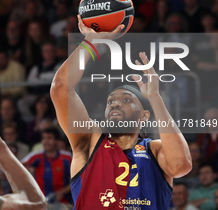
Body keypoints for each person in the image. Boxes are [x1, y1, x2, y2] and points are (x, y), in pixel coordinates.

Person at [50, 15, 192, 209]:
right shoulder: (89, 142)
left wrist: (155, 98)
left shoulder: (155, 149)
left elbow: (181, 166)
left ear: (144, 115)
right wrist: (91, 40)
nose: (115, 104)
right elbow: (60, 88)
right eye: (111, 102)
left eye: (126, 100)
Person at [22, 128, 72, 204]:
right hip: (41, 203)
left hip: (64, 203)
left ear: (56, 141)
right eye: (43, 138)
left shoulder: (67, 157)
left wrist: (62, 192)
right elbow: (17, 167)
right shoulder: (36, 156)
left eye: (49, 138)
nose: (46, 142)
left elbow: (77, 180)